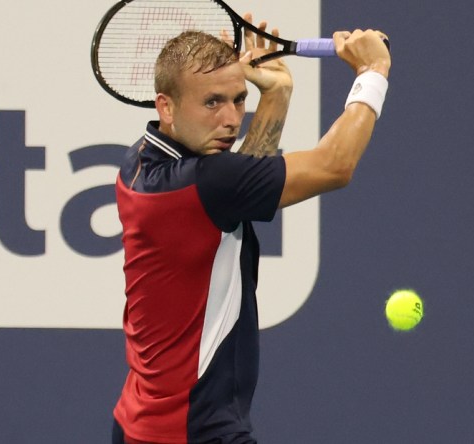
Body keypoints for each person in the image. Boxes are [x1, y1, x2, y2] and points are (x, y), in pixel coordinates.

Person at [112, 12, 391, 444]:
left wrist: (276, 96)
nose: (230, 118)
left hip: (144, 423)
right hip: (193, 431)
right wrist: (373, 73)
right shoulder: (205, 182)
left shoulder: (141, 161)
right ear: (165, 106)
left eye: (239, 99)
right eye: (212, 102)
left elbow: (239, 183)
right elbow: (335, 166)